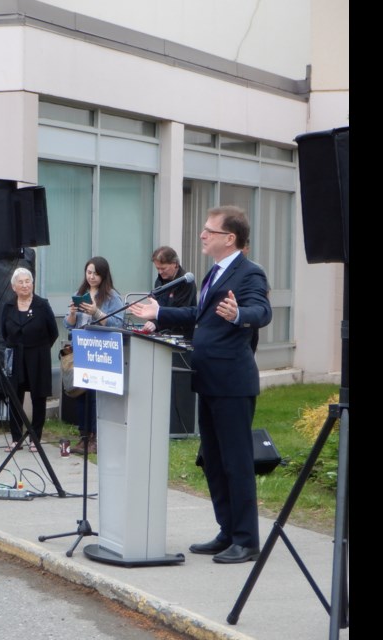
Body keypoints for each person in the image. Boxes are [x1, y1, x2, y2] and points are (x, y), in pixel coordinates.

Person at [132, 205, 271, 564]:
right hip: (208, 379)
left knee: (236, 461)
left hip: (232, 382)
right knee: (212, 460)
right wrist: (159, 313)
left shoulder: (249, 273)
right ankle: (227, 531)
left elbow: (261, 311)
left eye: (209, 230)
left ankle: (246, 539)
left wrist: (240, 315)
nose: (202, 234)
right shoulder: (213, 273)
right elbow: (199, 316)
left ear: (230, 238)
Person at [64, 256, 124, 455]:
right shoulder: (80, 293)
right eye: (89, 272)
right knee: (81, 394)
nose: (91, 277)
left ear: (104, 275)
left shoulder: (112, 296)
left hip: (100, 349)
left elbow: (118, 324)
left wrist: (96, 312)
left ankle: (96, 437)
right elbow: (69, 324)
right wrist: (72, 313)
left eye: (96, 274)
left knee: (95, 395)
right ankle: (83, 436)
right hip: (81, 346)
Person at [0, 267, 58, 453]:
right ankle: (16, 438)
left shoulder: (42, 305)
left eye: (28, 281)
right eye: (21, 282)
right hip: (14, 355)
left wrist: (39, 349)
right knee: (14, 396)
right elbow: (3, 332)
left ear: (32, 284)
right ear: (13, 286)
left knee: (38, 397)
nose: (25, 285)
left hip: (38, 356)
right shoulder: (8, 306)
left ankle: (35, 438)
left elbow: (53, 332)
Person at [142, 246, 197, 336]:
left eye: (163, 268)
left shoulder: (186, 282)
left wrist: (156, 323)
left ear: (175, 264)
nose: (160, 272)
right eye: (157, 268)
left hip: (180, 334)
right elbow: (157, 307)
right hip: (161, 333)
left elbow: (180, 312)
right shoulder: (160, 280)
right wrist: (151, 322)